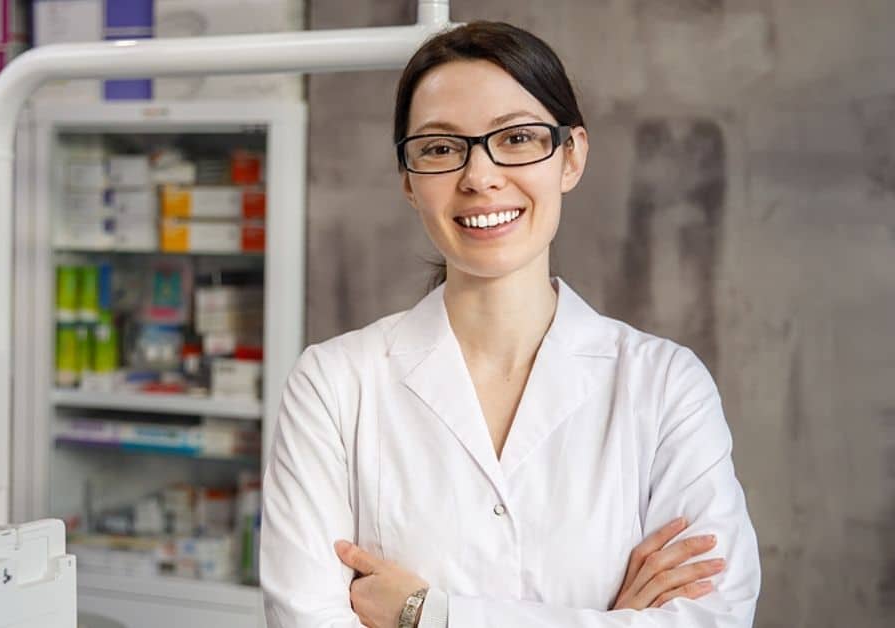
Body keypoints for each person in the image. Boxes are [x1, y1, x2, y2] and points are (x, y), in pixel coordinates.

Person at [261, 21, 760, 628]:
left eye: (518, 138)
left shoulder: (665, 385)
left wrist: (429, 614)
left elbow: (713, 620)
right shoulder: (334, 384)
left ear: (570, 156)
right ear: (409, 181)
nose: (480, 177)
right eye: (441, 149)